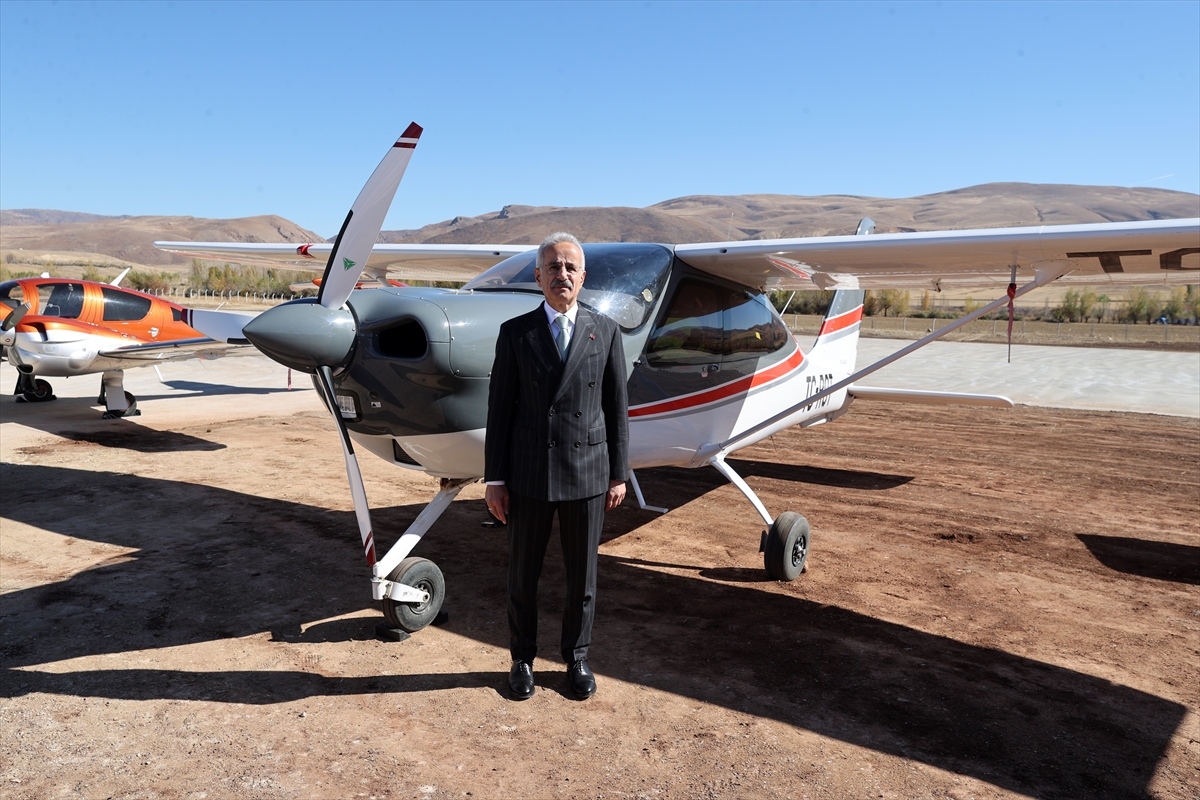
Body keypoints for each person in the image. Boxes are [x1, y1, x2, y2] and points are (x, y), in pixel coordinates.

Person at [484, 231, 629, 701]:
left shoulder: (606, 331)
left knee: (582, 579)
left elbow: (616, 408)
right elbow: (500, 411)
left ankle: (577, 658)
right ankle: (522, 658)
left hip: (588, 473)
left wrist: (619, 473)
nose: (561, 274)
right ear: (538, 276)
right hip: (529, 474)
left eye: (569, 267)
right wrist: (495, 479)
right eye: (552, 266)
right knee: (522, 576)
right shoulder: (515, 333)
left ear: (582, 277)